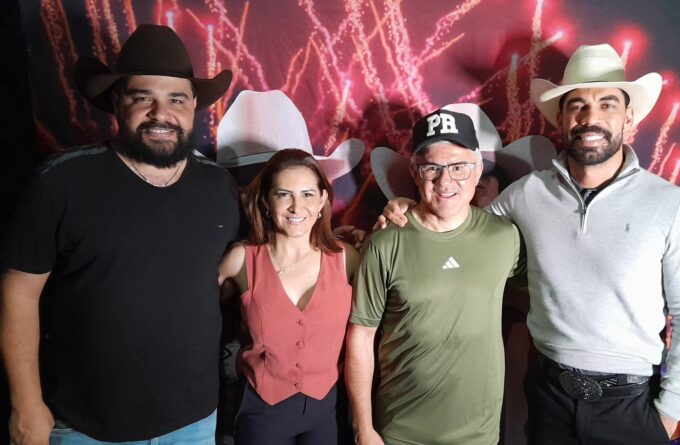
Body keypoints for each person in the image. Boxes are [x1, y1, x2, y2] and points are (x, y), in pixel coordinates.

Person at [380, 44, 680, 444]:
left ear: (628, 118)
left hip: (631, 405)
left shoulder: (672, 205)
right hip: (548, 396)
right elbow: (458, 228)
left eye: (607, 104)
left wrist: (670, 410)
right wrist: (408, 209)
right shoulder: (527, 194)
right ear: (560, 117)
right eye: (577, 105)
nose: (590, 117)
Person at [0, 24, 238, 444]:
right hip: (85, 426)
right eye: (142, 97)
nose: (160, 113)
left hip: (195, 423)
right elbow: (19, 290)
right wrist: (25, 403)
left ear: (194, 106)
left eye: (176, 99)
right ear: (116, 102)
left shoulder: (220, 187)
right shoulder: (62, 182)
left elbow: (241, 269)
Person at [346, 109, 525, 445]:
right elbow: (361, 337)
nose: (445, 182)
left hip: (479, 434)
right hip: (399, 432)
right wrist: (363, 429)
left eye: (458, 167)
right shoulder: (384, 243)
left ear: (477, 171)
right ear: (415, 172)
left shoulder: (505, 237)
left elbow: (543, 297)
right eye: (432, 168)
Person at [217, 148, 359, 444]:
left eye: (307, 194)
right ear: (267, 202)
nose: (296, 207)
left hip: (328, 409)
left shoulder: (347, 258)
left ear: (322, 200)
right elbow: (193, 310)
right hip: (261, 411)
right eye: (284, 194)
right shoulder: (241, 259)